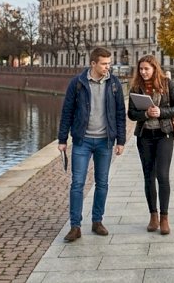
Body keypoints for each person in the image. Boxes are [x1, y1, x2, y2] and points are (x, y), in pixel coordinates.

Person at [58, 47, 126, 242]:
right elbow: (67, 112)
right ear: (93, 64)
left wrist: (120, 141)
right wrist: (62, 139)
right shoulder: (78, 83)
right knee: (77, 183)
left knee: (102, 183)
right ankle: (75, 226)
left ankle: (97, 221)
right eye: (104, 64)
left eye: (109, 63)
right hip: (82, 140)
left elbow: (120, 113)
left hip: (105, 141)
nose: (108, 67)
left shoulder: (114, 84)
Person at [126, 55, 174, 235]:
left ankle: (165, 217)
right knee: (148, 176)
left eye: (146, 69)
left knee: (163, 175)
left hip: (164, 134)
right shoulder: (136, 87)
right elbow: (132, 114)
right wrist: (145, 115)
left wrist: (161, 112)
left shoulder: (167, 84)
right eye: (141, 69)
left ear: (154, 68)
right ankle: (153, 215)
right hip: (144, 136)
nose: (143, 72)